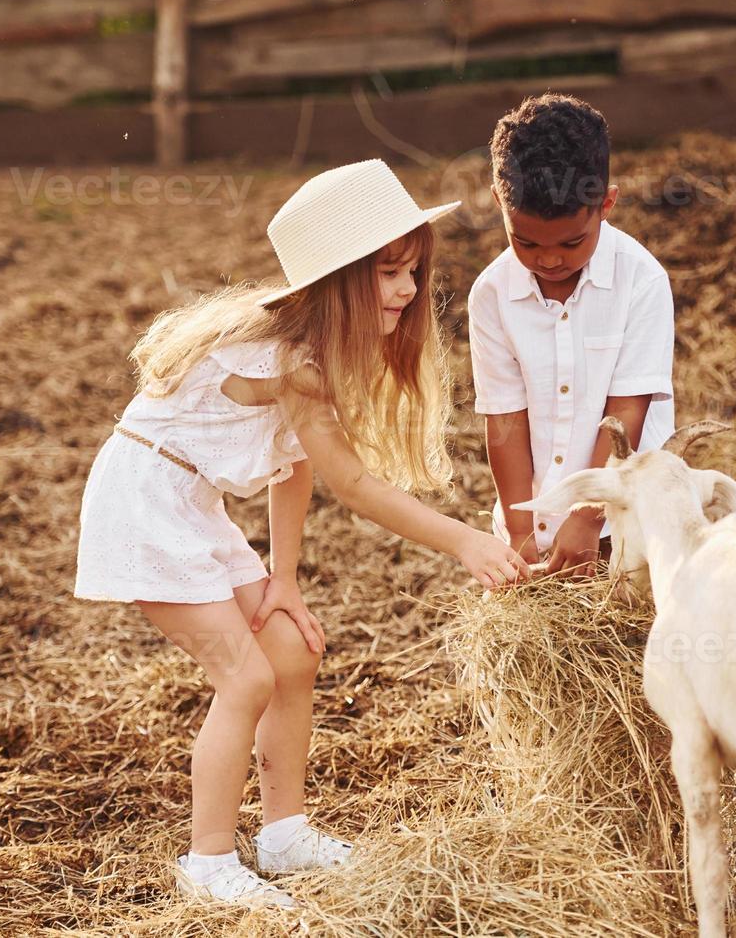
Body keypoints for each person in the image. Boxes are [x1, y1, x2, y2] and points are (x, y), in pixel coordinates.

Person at [73, 159, 530, 909]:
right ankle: (208, 859)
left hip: (188, 506)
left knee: (291, 649)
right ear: (340, 279)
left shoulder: (308, 355)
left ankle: (284, 834)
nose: (408, 291)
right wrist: (463, 542)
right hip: (143, 508)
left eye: (412, 272)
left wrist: (282, 580)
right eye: (387, 275)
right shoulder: (276, 357)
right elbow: (353, 483)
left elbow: (294, 471)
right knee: (245, 677)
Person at [468, 94, 676, 576]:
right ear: (499, 202)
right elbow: (504, 420)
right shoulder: (492, 294)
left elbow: (628, 411)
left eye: (571, 242)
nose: (549, 259)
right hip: (535, 524)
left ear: (606, 205)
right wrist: (522, 531)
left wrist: (587, 517)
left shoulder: (641, 281)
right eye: (525, 242)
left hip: (626, 523)